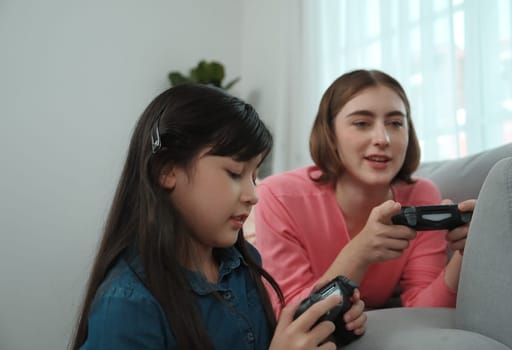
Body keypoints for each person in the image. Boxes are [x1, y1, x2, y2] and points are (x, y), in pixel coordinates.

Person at [70, 84, 366, 350]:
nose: (253, 195)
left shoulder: (244, 264)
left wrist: (325, 332)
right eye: (235, 173)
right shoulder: (128, 305)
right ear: (167, 170)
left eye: (255, 175)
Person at [254, 70, 476, 310]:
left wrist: (465, 256)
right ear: (330, 134)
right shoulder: (278, 196)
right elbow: (291, 319)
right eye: (361, 123)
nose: (383, 139)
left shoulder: (422, 196)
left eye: (395, 123)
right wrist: (359, 253)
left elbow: (423, 312)